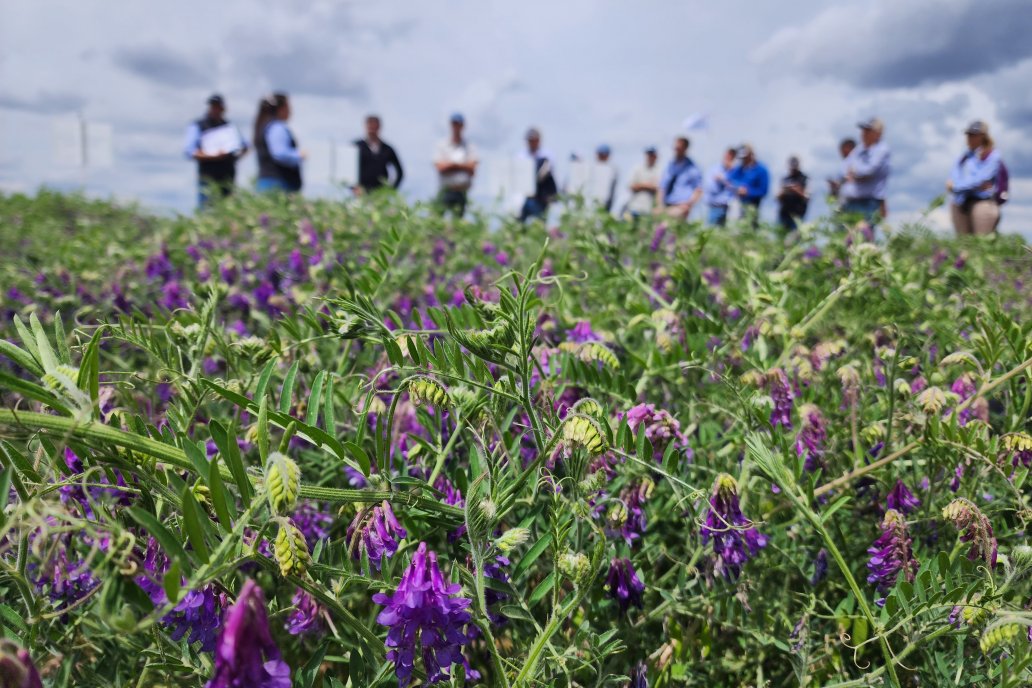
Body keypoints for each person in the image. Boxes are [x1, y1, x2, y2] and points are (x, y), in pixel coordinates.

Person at [182, 94, 248, 209]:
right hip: (208, 177)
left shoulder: (230, 127)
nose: (215, 110)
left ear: (223, 109)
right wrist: (213, 156)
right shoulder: (198, 125)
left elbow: (245, 146)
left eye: (218, 107)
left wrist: (234, 158)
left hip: (227, 177)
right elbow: (190, 151)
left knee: (228, 210)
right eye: (213, 106)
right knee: (207, 209)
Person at [947, 120, 1002, 236]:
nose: (969, 138)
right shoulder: (964, 157)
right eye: (968, 134)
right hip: (961, 202)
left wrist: (956, 186)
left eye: (973, 135)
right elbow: (953, 177)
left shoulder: (992, 155)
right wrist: (962, 186)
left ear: (982, 136)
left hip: (982, 203)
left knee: (980, 242)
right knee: (963, 243)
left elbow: (981, 180)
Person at [840, 118, 891, 223]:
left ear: (877, 133)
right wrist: (853, 173)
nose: (863, 133)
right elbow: (844, 169)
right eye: (863, 130)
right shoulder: (859, 149)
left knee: (863, 236)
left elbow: (868, 171)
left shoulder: (882, 150)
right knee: (845, 236)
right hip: (850, 202)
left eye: (868, 131)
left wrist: (854, 172)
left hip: (868, 203)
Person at [254, 93, 303, 194]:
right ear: (281, 109)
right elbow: (279, 153)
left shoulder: (265, 126)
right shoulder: (277, 127)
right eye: (288, 107)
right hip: (278, 184)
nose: (291, 111)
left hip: (268, 183)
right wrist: (299, 154)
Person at [433, 113, 478, 217]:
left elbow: (472, 168)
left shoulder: (470, 146)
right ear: (451, 125)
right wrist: (462, 166)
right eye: (454, 124)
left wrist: (452, 165)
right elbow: (440, 167)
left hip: (461, 192)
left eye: (458, 124)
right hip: (444, 190)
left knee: (458, 224)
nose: (456, 126)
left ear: (463, 126)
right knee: (436, 222)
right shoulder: (442, 145)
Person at [355, 115, 404, 194]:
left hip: (381, 193)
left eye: (374, 128)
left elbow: (400, 172)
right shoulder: (356, 147)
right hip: (361, 192)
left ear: (379, 128)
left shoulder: (388, 149)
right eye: (370, 128)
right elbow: (347, 170)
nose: (372, 131)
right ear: (365, 127)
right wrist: (353, 188)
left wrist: (391, 190)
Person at [657, 136, 702, 220]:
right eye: (675, 148)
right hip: (667, 205)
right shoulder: (670, 166)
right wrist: (659, 205)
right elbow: (662, 187)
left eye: (679, 148)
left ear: (685, 149)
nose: (676, 150)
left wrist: (688, 205)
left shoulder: (693, 169)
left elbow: (698, 190)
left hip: (681, 207)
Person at [519, 127, 558, 223]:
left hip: (542, 196)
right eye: (530, 140)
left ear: (538, 140)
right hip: (525, 196)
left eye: (534, 140)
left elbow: (548, 175)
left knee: (541, 220)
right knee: (520, 221)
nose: (532, 142)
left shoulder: (547, 155)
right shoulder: (521, 155)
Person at [728, 144, 769, 227]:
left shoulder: (761, 170)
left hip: (753, 208)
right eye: (742, 158)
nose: (743, 160)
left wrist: (748, 192)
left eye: (745, 157)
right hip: (738, 207)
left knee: (750, 230)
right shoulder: (739, 169)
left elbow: (763, 191)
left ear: (751, 155)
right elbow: (730, 179)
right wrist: (737, 187)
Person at [703, 147, 737, 226]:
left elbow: (737, 189)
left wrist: (724, 179)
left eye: (731, 157)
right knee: (711, 231)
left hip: (730, 208)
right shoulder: (715, 169)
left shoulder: (736, 172)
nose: (728, 158)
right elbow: (711, 188)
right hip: (715, 207)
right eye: (728, 156)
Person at [625, 146, 660, 219]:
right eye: (648, 154)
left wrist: (641, 185)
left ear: (655, 156)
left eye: (651, 155)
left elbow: (658, 188)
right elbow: (631, 186)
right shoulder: (637, 168)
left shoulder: (659, 171)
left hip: (648, 209)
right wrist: (648, 186)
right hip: (633, 207)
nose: (649, 157)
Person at [776, 156, 809, 231]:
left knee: (795, 239)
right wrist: (784, 191)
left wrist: (796, 190)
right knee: (781, 238)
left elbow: (807, 196)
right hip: (784, 214)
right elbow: (777, 197)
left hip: (798, 215)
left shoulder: (805, 179)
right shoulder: (785, 179)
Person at [827, 138, 856, 202]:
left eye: (842, 148)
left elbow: (851, 177)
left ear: (848, 147)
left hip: (854, 200)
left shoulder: (854, 161)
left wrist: (839, 182)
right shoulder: (845, 163)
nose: (840, 152)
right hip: (844, 200)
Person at [594, 144, 618, 212]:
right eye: (600, 155)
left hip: (605, 203)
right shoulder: (592, 169)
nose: (601, 157)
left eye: (603, 155)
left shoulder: (612, 170)